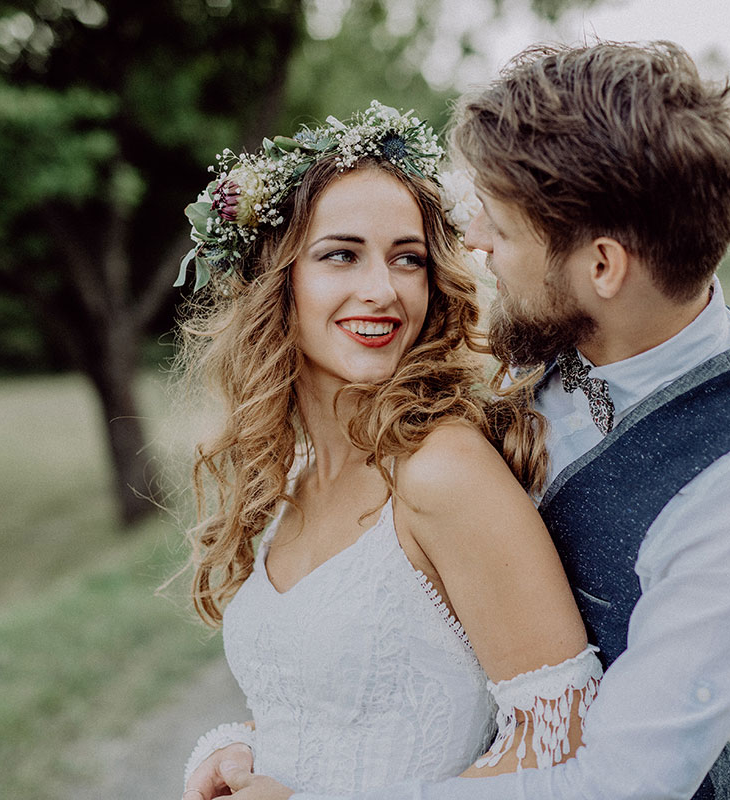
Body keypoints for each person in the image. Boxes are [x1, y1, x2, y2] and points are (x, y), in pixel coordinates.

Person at [222, 41, 730, 800]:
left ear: (603, 267)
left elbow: (617, 784)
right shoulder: (541, 343)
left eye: (503, 229)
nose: (473, 243)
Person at [171, 102, 603, 800]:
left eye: (408, 258)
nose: (383, 291)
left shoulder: (443, 471)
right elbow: (339, 707)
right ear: (276, 280)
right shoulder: (297, 475)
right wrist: (243, 747)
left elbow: (564, 741)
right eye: (341, 254)